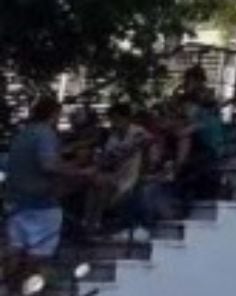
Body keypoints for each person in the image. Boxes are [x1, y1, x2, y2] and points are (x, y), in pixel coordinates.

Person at [5, 97, 91, 289]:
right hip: (42, 204)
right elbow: (48, 165)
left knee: (15, 249)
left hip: (16, 202)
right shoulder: (45, 134)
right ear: (53, 114)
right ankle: (28, 288)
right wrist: (80, 171)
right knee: (39, 254)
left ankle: (10, 288)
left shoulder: (23, 134)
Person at [82, 102, 150, 234]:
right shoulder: (113, 137)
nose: (114, 122)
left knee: (102, 185)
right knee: (94, 183)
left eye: (117, 119)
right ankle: (88, 221)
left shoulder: (137, 131)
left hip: (131, 175)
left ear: (126, 118)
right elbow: (108, 158)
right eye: (112, 119)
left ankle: (96, 222)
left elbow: (146, 144)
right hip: (116, 174)